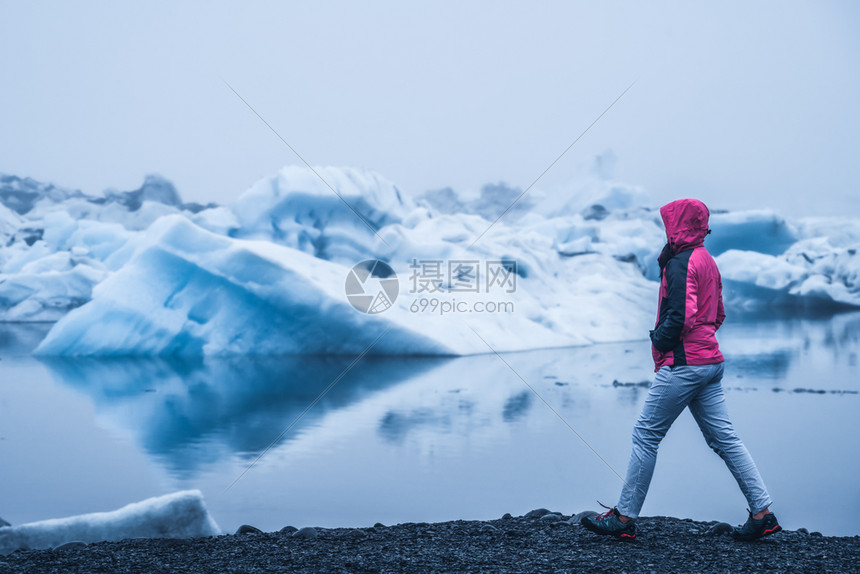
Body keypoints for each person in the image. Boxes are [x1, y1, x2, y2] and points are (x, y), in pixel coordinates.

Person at [581, 198, 781, 542]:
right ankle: (762, 513)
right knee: (726, 440)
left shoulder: (680, 263)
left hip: (684, 364)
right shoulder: (707, 260)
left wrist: (659, 341)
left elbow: (681, 315)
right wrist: (699, 342)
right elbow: (717, 314)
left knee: (646, 435)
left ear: (677, 225)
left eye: (669, 223)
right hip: (709, 362)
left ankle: (624, 518)